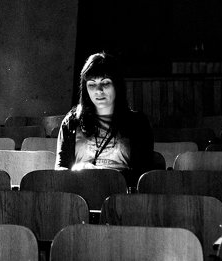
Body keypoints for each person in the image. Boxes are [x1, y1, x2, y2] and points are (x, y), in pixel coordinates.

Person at [55, 51, 154, 186]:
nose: (98, 90)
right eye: (92, 84)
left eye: (105, 83)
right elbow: (60, 169)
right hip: (80, 191)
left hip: (122, 193)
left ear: (117, 85)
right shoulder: (72, 122)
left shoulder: (138, 123)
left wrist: (104, 176)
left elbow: (144, 174)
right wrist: (78, 171)